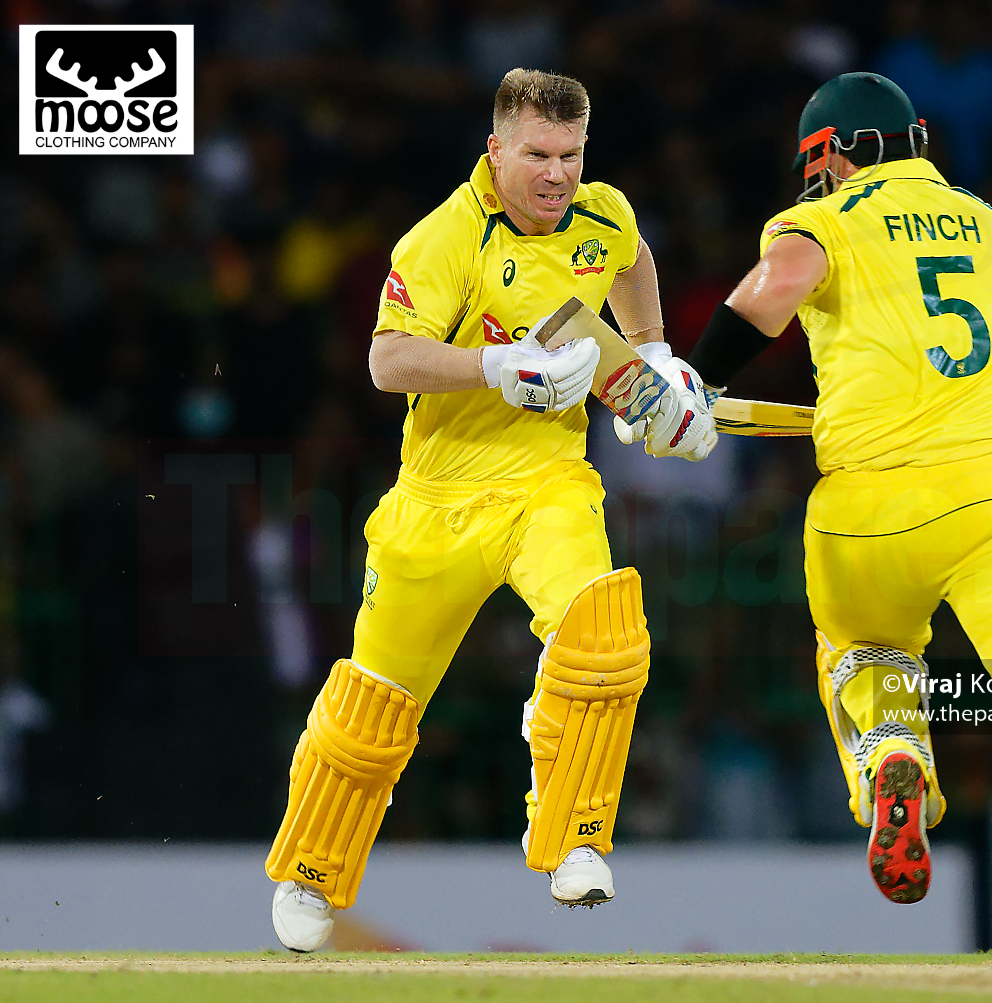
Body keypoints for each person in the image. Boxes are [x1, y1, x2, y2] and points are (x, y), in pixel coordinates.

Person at [264, 68, 716, 953]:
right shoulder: (445, 237)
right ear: (496, 150)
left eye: (572, 155)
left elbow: (631, 257)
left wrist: (654, 361)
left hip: (549, 483)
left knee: (605, 635)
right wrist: (494, 367)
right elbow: (386, 360)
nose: (558, 175)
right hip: (438, 498)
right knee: (374, 703)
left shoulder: (602, 214)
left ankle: (574, 839)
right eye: (538, 156)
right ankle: (310, 874)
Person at [679, 72, 992, 958]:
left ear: (836, 151)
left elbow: (775, 288)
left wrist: (694, 379)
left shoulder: (823, 220)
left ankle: (897, 758)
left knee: (864, 654)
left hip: (867, 507)